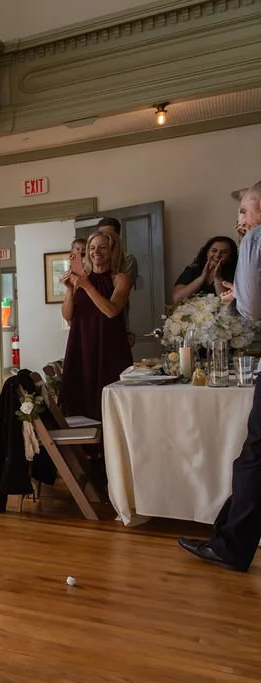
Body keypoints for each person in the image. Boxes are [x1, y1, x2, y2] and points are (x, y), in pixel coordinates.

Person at [179, 181, 261, 572]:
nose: (241, 220)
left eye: (245, 211)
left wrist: (238, 298)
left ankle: (230, 546)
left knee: (253, 460)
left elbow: (252, 309)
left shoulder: (256, 240)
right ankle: (229, 540)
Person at [59, 230, 133, 421]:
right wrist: (69, 289)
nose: (95, 251)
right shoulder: (81, 279)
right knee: (79, 401)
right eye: (92, 248)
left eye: (102, 247)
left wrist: (87, 286)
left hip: (109, 347)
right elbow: (68, 315)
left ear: (113, 250)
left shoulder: (121, 278)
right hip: (81, 345)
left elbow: (111, 311)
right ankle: (86, 450)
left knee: (112, 404)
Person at [95, 217, 138, 347]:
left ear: (117, 237)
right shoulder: (90, 262)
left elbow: (117, 294)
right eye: (101, 234)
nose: (105, 238)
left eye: (109, 235)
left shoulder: (127, 260)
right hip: (92, 325)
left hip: (115, 323)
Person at [172, 236, 237, 303]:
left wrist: (217, 277)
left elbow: (227, 302)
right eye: (214, 251)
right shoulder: (192, 270)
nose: (218, 255)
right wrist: (202, 277)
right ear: (207, 253)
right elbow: (177, 299)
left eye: (224, 252)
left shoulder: (235, 273)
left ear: (230, 256)